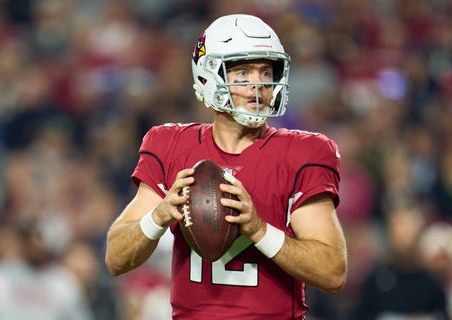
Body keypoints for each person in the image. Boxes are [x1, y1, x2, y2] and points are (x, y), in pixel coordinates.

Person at [104, 14, 347, 319]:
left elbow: (333, 273)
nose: (258, 85)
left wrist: (258, 230)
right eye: (243, 73)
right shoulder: (170, 144)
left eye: (265, 71)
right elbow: (116, 259)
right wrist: (160, 215)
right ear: (208, 77)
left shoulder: (303, 152)